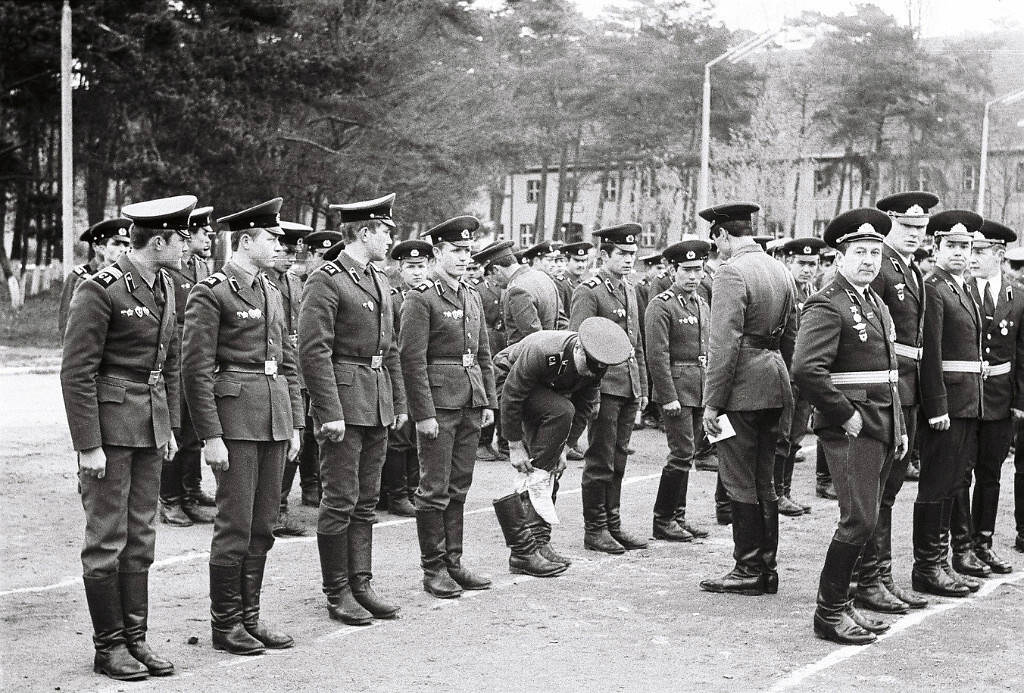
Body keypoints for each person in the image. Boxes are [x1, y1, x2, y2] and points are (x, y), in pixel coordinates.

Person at [61, 194, 194, 681]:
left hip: (149, 426)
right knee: (106, 539)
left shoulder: (166, 285)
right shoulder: (102, 290)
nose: (187, 245)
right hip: (110, 430)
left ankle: (135, 639)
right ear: (158, 241)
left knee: (140, 537)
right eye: (181, 238)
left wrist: (171, 428)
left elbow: (169, 364)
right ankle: (108, 646)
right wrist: (88, 444)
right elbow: (77, 373)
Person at [182, 197, 302, 655]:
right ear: (246, 240)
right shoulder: (212, 291)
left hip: (272, 418)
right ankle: (225, 623)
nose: (279, 245)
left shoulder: (272, 289)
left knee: (263, 525)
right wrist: (211, 436)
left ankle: (249, 617)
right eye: (271, 239)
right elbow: (195, 370)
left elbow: (287, 363)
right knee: (234, 526)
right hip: (234, 421)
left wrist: (293, 423)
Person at [793, 207, 907, 645]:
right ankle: (828, 613)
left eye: (874, 252)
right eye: (859, 251)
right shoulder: (827, 302)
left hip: (880, 420)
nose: (868, 260)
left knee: (869, 516)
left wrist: (896, 427)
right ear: (839, 258)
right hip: (851, 427)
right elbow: (806, 369)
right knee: (857, 520)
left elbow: (890, 371)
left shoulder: (873, 301)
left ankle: (845, 606)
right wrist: (846, 415)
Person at [298, 194, 407, 624]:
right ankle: (337, 591)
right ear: (365, 233)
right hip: (345, 401)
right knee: (340, 499)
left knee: (366, 501)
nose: (390, 239)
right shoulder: (327, 279)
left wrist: (397, 401)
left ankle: (361, 583)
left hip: (376, 400)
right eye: (386, 231)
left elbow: (391, 348)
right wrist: (328, 411)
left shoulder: (377, 278)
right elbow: (313, 351)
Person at [698, 202, 797, 597]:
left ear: (722, 234)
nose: (716, 249)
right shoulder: (779, 269)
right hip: (774, 382)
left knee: (739, 480)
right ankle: (766, 567)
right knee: (765, 480)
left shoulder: (731, 272)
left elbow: (724, 343)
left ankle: (748, 567)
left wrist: (712, 402)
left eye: (715, 241)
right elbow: (791, 334)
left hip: (741, 388)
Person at [400, 216, 497, 599]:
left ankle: (453, 562)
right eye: (455, 251)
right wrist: (423, 414)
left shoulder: (470, 294)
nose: (463, 257)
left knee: (459, 485)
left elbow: (483, 353)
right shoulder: (421, 297)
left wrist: (487, 399)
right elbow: (412, 358)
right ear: (437, 252)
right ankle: (434, 568)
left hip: (470, 401)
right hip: (439, 405)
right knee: (434, 488)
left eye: (468, 251)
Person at [851, 191, 937, 613]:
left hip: (909, 388)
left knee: (890, 489)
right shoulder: (880, 266)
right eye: (906, 227)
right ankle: (866, 578)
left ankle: (880, 575)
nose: (914, 236)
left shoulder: (912, 270)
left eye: (921, 229)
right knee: (877, 490)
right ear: (889, 223)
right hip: (885, 391)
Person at [492, 317, 632, 575]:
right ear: (578, 348)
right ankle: (524, 550)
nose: (590, 374)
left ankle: (538, 541)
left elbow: (584, 407)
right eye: (587, 367)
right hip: (508, 379)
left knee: (550, 465)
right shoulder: (543, 351)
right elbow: (512, 396)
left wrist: (565, 448)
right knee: (560, 412)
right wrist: (513, 445)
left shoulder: (594, 363)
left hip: (546, 392)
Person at [913, 209, 985, 598]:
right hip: (948, 403)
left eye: (965, 246)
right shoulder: (934, 287)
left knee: (955, 483)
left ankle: (941, 562)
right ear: (936, 247)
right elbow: (932, 353)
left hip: (968, 399)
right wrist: (936, 406)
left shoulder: (964, 286)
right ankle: (927, 565)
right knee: (935, 485)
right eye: (951, 245)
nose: (959, 252)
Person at [570, 223, 649, 554]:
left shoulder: (629, 289)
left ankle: (612, 524)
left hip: (627, 386)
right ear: (604, 255)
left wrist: (641, 386)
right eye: (623, 254)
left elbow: (636, 341)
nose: (630, 259)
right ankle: (595, 529)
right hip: (603, 388)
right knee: (600, 459)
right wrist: (591, 394)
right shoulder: (589, 291)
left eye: (633, 253)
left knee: (618, 459)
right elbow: (578, 344)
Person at [644, 239, 712, 542]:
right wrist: (668, 396)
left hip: (698, 386)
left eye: (698, 270)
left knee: (690, 452)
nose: (694, 276)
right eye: (687, 270)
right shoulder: (661, 305)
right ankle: (663, 519)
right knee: (681, 453)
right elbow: (656, 355)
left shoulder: (701, 303)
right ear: (672, 270)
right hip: (676, 389)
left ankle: (678, 518)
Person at [965, 219, 1022, 574]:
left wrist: (1019, 401)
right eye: (970, 250)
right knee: (958, 474)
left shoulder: (1017, 296)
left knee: (990, 473)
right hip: (965, 396)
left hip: (1001, 397)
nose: (971, 257)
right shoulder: (961, 289)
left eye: (980, 251)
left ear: (999, 255)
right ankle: (957, 545)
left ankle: (982, 541)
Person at [160, 206, 216, 527]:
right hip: (175, 355)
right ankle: (170, 499)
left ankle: (191, 491)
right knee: (176, 429)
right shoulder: (169, 270)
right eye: (202, 233)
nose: (207, 238)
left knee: (195, 429)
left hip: (196, 357)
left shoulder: (200, 266)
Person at [773, 237, 826, 517]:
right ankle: (776, 493)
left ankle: (786, 491)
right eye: (801, 263)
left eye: (812, 264)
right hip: (785, 376)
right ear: (788, 262)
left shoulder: (816, 294)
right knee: (781, 437)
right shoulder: (784, 294)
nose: (807, 269)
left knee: (795, 438)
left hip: (806, 379)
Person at [381, 239, 434, 517]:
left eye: (421, 266)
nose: (417, 272)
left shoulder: (429, 297)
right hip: (397, 374)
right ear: (400, 269)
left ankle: (414, 489)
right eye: (411, 267)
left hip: (421, 375)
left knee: (416, 436)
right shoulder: (393, 299)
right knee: (399, 438)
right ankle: (396, 494)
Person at [269, 219, 314, 538]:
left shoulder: (295, 282)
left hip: (296, 370)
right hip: (275, 371)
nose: (288, 257)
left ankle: (281, 507)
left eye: (293, 252)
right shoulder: (266, 282)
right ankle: (272, 510)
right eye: (283, 250)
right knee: (280, 442)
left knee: (296, 441)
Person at [470, 242, 511, 463]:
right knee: (489, 391)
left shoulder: (504, 289)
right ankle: (483, 441)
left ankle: (500, 440)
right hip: (487, 343)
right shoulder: (478, 289)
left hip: (501, 343)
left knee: (502, 392)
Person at [59, 218, 132, 338]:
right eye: (116, 244)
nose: (122, 249)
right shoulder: (80, 277)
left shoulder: (128, 275)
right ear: (98, 247)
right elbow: (67, 318)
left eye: (126, 244)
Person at [559, 241, 594, 461]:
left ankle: (573, 441)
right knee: (568, 400)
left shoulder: (583, 283)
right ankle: (564, 442)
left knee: (581, 401)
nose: (580, 265)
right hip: (569, 344)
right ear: (567, 261)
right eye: (576, 261)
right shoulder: (563, 284)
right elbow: (563, 317)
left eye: (583, 261)